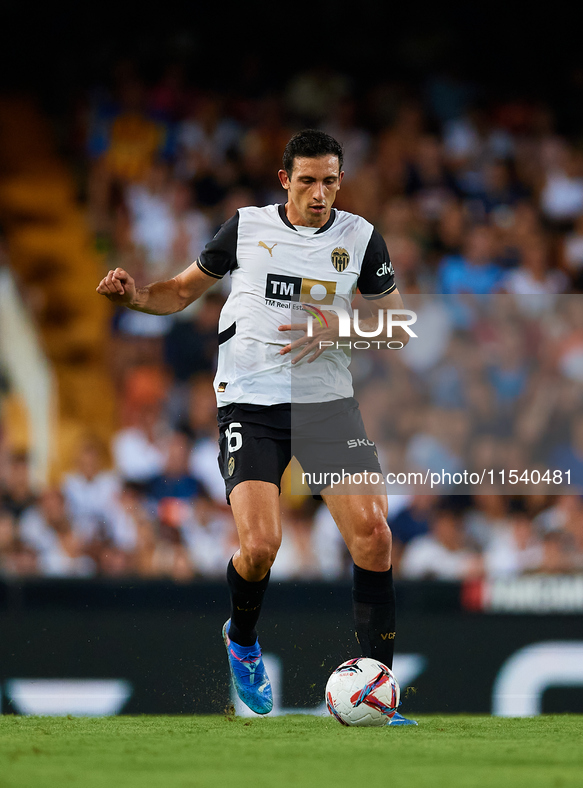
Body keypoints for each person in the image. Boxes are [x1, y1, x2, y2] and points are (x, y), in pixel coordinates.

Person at [97, 129, 416, 725]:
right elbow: (181, 292)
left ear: (340, 182)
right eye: (307, 181)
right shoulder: (245, 228)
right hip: (250, 403)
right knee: (261, 546)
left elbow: (397, 326)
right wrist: (137, 296)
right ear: (284, 181)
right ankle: (242, 636)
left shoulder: (361, 238)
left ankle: (381, 691)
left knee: (374, 536)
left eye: (329, 181)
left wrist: (340, 332)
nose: (319, 193)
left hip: (326, 405)